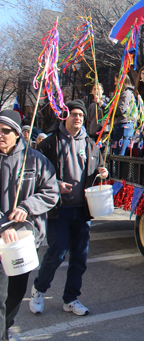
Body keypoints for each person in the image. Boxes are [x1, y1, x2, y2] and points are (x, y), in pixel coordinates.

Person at [29, 100, 108, 317]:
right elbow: (36, 176)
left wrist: (103, 172)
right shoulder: (49, 143)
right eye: (74, 114)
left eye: (81, 115)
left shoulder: (91, 144)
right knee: (57, 252)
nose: (78, 118)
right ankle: (39, 289)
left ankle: (70, 299)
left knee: (79, 258)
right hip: (59, 209)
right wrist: (56, 185)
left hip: (83, 210)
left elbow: (98, 169)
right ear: (64, 117)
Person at [0, 110, 59, 341]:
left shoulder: (35, 160)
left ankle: (5, 330)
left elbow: (51, 192)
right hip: (1, 240)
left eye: (6, 131)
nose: (1, 135)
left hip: (25, 242)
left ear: (17, 134)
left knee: (15, 293)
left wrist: (27, 206)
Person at [112, 74, 135, 155]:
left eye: (116, 81)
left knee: (120, 154)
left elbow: (121, 109)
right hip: (120, 124)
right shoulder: (125, 93)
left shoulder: (126, 94)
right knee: (117, 152)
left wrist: (108, 108)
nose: (115, 84)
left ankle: (119, 167)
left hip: (123, 126)